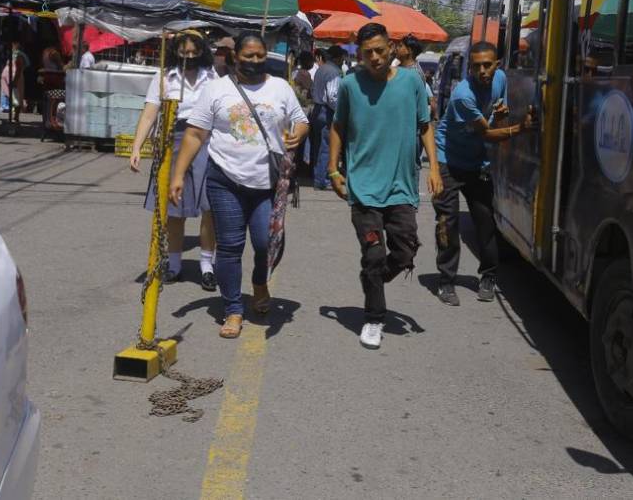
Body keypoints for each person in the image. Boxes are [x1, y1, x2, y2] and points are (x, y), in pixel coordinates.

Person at [170, 31, 309, 339]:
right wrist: (178, 174)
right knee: (230, 247)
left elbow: (301, 119)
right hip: (225, 181)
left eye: (260, 56)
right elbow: (195, 134)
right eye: (249, 56)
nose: (255, 61)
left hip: (267, 184)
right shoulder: (216, 90)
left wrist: (298, 132)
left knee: (265, 243)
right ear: (235, 57)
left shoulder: (280, 87)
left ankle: (260, 281)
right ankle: (233, 308)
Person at [328, 23, 442, 350]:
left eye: (380, 50)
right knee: (375, 252)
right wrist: (333, 169)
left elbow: (424, 125)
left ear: (391, 48)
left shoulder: (411, 82)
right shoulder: (350, 85)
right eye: (367, 53)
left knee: (405, 252)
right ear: (359, 54)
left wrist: (433, 167)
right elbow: (338, 126)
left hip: (401, 187)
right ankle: (374, 316)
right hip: (363, 189)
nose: (375, 58)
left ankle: (372, 277)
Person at [433, 41, 536, 305]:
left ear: (497, 65)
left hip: (478, 162)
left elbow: (495, 123)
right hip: (449, 160)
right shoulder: (462, 96)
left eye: (487, 65)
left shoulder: (500, 79)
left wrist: (502, 115)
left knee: (486, 222)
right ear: (470, 68)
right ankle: (446, 280)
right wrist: (520, 128)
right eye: (476, 66)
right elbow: (488, 133)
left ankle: (488, 276)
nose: (482, 71)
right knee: (448, 221)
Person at [131, 32, 218, 287]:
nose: (189, 58)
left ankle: (206, 265)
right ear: (175, 52)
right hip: (173, 139)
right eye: (184, 53)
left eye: (194, 53)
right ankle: (175, 264)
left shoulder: (212, 77)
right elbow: (149, 115)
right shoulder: (163, 77)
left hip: (206, 141)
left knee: (209, 207)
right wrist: (137, 147)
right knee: (174, 208)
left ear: (202, 52)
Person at [309, 45, 346, 190]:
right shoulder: (333, 72)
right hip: (327, 110)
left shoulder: (321, 69)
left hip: (318, 109)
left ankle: (318, 176)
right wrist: (340, 111)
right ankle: (322, 179)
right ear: (337, 57)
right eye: (342, 57)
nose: (343, 60)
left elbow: (314, 90)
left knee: (318, 146)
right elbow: (332, 96)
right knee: (327, 146)